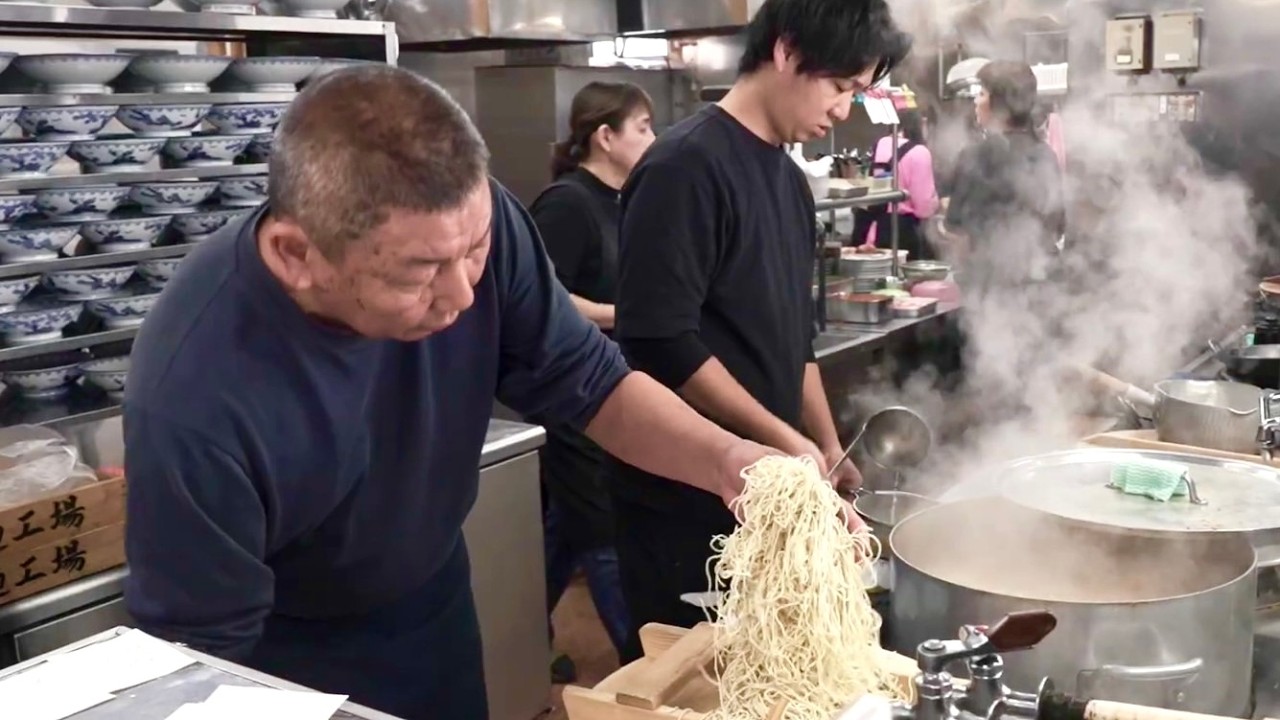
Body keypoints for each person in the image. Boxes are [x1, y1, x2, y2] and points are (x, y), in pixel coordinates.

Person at [122, 65, 780, 720]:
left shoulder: (468, 223)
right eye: (420, 273)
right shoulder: (197, 393)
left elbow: (590, 380)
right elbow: (197, 665)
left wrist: (724, 459)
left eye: (475, 250)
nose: (464, 295)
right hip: (287, 656)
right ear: (299, 256)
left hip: (430, 603)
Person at [607, 0, 911, 662]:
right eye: (840, 87)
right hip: (689, 499)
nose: (843, 111)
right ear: (787, 51)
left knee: (778, 672)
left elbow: (793, 338)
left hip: (769, 493)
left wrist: (826, 448)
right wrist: (785, 440)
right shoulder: (683, 167)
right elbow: (660, 339)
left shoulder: (790, 180)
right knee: (697, 680)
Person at [528, 81, 655, 681]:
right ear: (605, 137)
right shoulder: (567, 204)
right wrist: (624, 316)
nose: (652, 139)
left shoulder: (626, 197)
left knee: (562, 531)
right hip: (573, 393)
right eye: (644, 127)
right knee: (600, 525)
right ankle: (646, 671)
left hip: (616, 380)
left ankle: (518, 638)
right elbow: (542, 299)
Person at [940, 60, 1066, 290]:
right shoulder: (1045, 155)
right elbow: (1056, 226)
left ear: (1000, 103)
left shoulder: (976, 156)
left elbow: (958, 234)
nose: (976, 101)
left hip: (991, 287)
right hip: (1042, 286)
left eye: (982, 93)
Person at [852, 108, 940, 260]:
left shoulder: (879, 144)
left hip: (869, 228)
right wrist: (937, 203)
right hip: (901, 233)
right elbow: (923, 208)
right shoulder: (920, 152)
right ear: (922, 124)